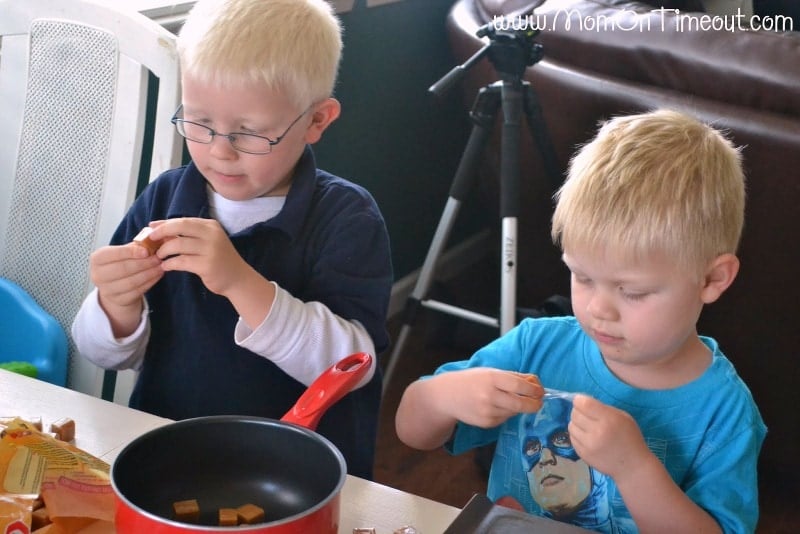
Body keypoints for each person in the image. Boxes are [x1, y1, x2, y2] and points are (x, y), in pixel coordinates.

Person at [395, 109, 766, 532]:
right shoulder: (535, 346)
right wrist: (444, 395)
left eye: (632, 291)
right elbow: (411, 429)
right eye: (583, 277)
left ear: (712, 278)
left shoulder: (724, 411)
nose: (598, 309)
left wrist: (634, 468)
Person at [71, 0, 392, 480]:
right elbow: (103, 353)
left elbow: (353, 368)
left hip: (294, 475)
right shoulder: (166, 197)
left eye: (249, 132)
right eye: (199, 123)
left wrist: (242, 283)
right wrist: (116, 305)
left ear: (316, 121)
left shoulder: (346, 216)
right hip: (168, 454)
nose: (219, 151)